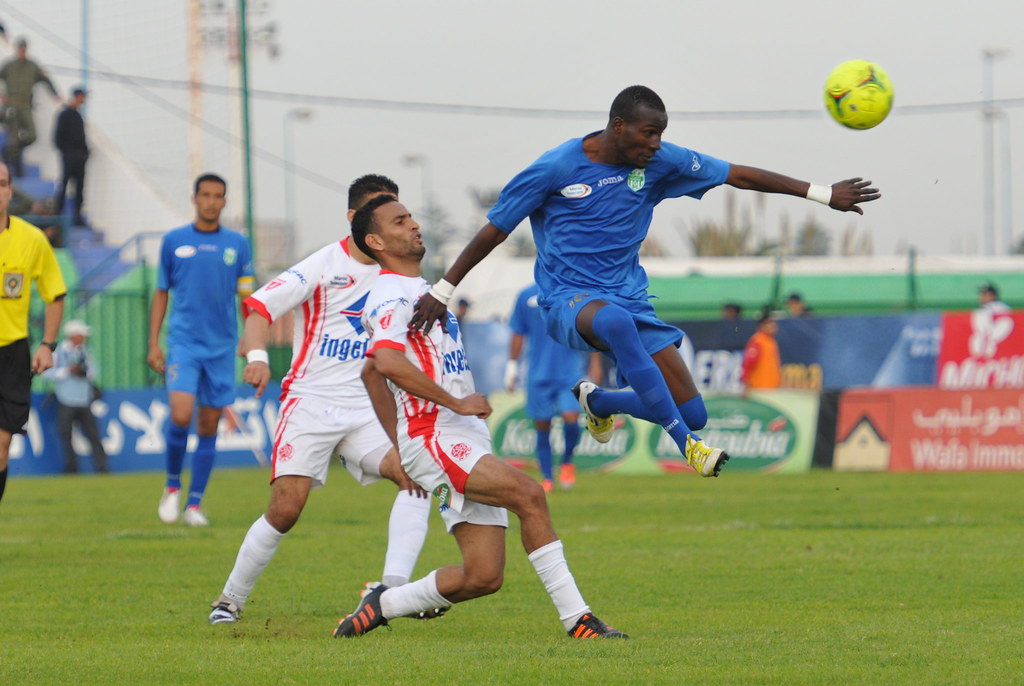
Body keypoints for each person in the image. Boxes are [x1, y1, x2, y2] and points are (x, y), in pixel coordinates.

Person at [410, 85, 879, 478]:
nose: (656, 143)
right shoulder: (556, 167)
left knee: (694, 408)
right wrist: (443, 290)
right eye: (649, 132)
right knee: (616, 326)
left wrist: (822, 194)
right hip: (566, 299)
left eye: (661, 134)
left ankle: (603, 402)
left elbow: (738, 175)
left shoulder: (659, 162)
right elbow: (495, 229)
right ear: (619, 127)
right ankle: (689, 447)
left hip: (631, 299)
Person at [334, 195, 624, 640]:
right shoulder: (389, 294)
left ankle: (383, 603)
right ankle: (579, 621)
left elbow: (371, 371)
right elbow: (386, 362)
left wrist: (402, 444)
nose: (414, 225)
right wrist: (445, 413)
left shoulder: (422, 290)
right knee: (530, 494)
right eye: (400, 221)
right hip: (438, 435)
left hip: (457, 437)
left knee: (483, 576)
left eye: (412, 216)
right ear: (375, 240)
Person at [208, 174, 437, 625]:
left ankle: (389, 592)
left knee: (416, 475)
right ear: (357, 220)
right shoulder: (323, 264)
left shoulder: (403, 276)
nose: (396, 224)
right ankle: (229, 600)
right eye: (382, 213)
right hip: (310, 403)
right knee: (286, 508)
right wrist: (255, 356)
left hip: (367, 408)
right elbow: (258, 308)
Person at [147, 173, 254, 527]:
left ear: (225, 202)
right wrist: (153, 343)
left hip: (222, 347)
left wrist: (249, 337)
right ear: (194, 199)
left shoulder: (237, 245)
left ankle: (194, 505)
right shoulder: (174, 241)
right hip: (184, 343)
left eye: (218, 196)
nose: (211, 201)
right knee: (180, 414)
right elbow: (161, 291)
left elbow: (247, 296)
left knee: (209, 424)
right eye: (205, 195)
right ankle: (173, 486)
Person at [0, 160, 66, 504]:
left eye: (1, 183)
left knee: (1, 448)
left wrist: (47, 345)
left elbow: (54, 294)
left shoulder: (31, 239)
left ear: (10, 191)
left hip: (12, 354)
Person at [506, 282, 600, 491]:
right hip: (538, 373)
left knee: (571, 418)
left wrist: (595, 361)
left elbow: (589, 328)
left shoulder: (575, 292)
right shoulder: (526, 295)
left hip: (570, 371)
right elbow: (518, 332)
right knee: (542, 425)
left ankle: (566, 463)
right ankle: (547, 476)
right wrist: (511, 367)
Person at [43, 318, 108, 473]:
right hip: (66, 399)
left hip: (84, 399)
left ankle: (102, 467)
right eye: (81, 334)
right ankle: (71, 468)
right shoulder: (59, 352)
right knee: (66, 435)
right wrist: (68, 371)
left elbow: (94, 372)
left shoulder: (85, 352)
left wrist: (83, 372)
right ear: (73, 335)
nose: (84, 337)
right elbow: (47, 374)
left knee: (93, 435)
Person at [0, 38, 60, 177]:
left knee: (32, 136)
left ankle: (10, 150)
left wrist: (55, 94)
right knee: (14, 136)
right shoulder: (9, 66)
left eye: (24, 48)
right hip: (12, 105)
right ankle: (13, 168)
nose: (22, 51)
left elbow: (45, 80)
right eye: (20, 48)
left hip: (26, 105)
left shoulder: (33, 66)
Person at [53, 87, 88, 227]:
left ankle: (77, 217)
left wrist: (84, 153)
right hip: (69, 156)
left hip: (79, 157)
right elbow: (57, 138)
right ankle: (57, 214)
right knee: (64, 184)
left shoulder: (78, 116)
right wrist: (67, 152)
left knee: (79, 187)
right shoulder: (65, 114)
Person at [740, 307, 781, 391]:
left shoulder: (771, 341)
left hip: (772, 387)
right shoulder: (757, 341)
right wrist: (745, 383)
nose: (772, 326)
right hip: (759, 388)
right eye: (769, 323)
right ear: (762, 326)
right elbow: (748, 362)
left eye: (773, 323)